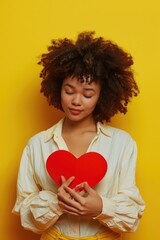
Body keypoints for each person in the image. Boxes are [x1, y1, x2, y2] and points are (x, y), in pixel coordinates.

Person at [12, 31, 145, 240]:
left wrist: (101, 207)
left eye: (88, 94)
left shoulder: (122, 144)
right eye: (69, 90)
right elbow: (26, 217)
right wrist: (56, 203)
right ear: (58, 88)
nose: (76, 101)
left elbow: (133, 216)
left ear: (103, 94)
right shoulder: (37, 145)